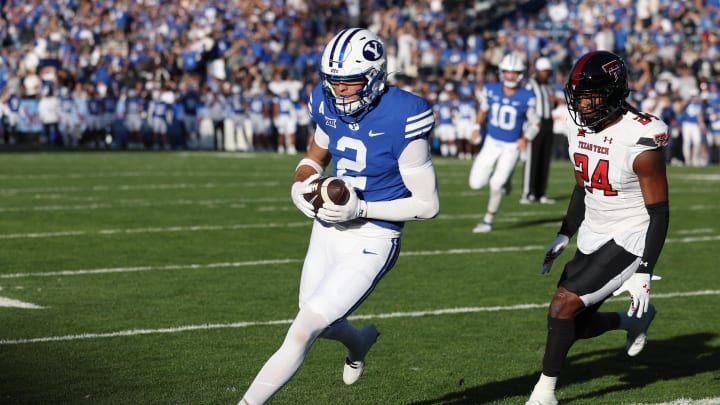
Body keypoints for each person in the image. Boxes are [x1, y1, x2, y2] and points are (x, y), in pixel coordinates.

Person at [240, 27, 440, 405]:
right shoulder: (325, 101)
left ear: (376, 76)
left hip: (373, 235)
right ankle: (360, 340)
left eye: (349, 82)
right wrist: (301, 184)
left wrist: (361, 207)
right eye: (333, 81)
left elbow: (427, 205)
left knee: (302, 329)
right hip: (328, 227)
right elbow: (315, 156)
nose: (339, 90)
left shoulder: (405, 114)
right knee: (315, 318)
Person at [525, 51, 670, 405]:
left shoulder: (641, 137)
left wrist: (645, 271)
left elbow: (660, 211)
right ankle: (633, 322)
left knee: (561, 307)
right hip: (594, 229)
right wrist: (564, 233)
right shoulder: (577, 127)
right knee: (574, 326)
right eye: (578, 95)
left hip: (630, 235)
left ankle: (543, 395)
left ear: (614, 92)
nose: (582, 104)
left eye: (590, 95)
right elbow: (582, 186)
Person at [468, 53, 539, 233]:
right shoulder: (491, 89)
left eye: (514, 73)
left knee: (495, 184)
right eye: (508, 72)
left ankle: (488, 220)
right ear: (502, 73)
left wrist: (525, 138)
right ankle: (505, 180)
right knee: (475, 184)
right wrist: (477, 126)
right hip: (491, 142)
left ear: (520, 74)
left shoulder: (527, 95)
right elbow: (483, 110)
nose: (511, 76)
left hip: (512, 146)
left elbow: (536, 123)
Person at [521, 57, 557, 204]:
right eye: (544, 72)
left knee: (545, 158)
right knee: (532, 158)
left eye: (548, 72)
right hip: (535, 123)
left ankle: (541, 192)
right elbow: (525, 104)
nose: (547, 74)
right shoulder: (530, 84)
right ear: (538, 71)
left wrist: (554, 102)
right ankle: (527, 193)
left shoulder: (549, 85)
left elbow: (551, 105)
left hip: (548, 122)